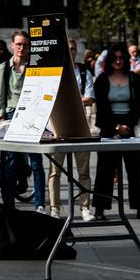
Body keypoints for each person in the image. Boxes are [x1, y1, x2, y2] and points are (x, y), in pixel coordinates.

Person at [93, 42, 140, 220]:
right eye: (115, 58)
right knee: (105, 170)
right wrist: (116, 127)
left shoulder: (136, 79)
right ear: (109, 59)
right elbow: (101, 111)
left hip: (132, 127)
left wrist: (127, 126)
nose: (118, 61)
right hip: (109, 128)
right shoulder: (102, 80)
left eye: (121, 58)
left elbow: (139, 105)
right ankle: (100, 209)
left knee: (135, 170)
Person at [0, 31, 46, 213]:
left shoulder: (36, 66)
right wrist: (2, 118)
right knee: (11, 163)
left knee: (36, 162)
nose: (22, 48)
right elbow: (0, 97)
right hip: (12, 115)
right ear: (12, 45)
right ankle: (9, 205)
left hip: (33, 116)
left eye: (25, 45)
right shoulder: (3, 68)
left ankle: (39, 204)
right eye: (18, 44)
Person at [47, 38, 94, 221]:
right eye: (67, 49)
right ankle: (54, 209)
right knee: (54, 171)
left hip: (81, 126)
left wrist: (66, 99)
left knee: (84, 171)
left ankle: (85, 208)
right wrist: (76, 99)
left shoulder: (83, 71)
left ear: (76, 51)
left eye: (72, 49)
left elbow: (90, 98)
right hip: (57, 126)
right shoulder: (52, 71)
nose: (70, 52)